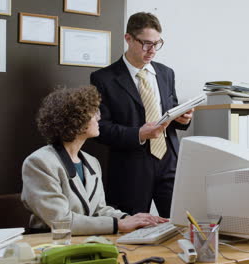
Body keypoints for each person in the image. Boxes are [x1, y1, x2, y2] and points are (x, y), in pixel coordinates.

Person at [21, 86, 166, 235]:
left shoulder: (91, 162)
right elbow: (61, 221)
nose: (99, 118)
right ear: (77, 119)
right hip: (49, 245)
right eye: (94, 112)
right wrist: (119, 224)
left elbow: (99, 210)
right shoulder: (39, 162)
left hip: (86, 241)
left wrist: (130, 218)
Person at [90, 12, 192, 217]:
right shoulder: (104, 78)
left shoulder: (166, 73)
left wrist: (183, 119)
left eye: (157, 43)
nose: (152, 50)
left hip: (169, 161)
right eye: (146, 43)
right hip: (131, 167)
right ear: (128, 39)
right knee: (132, 234)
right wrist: (139, 134)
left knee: (179, 224)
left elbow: (171, 111)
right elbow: (101, 129)